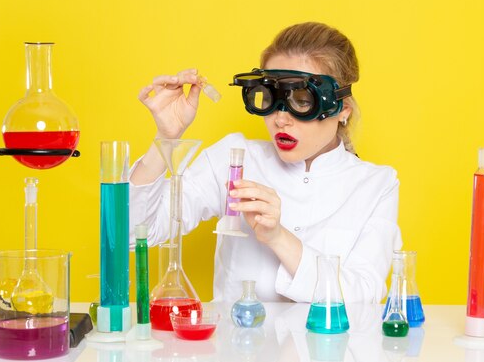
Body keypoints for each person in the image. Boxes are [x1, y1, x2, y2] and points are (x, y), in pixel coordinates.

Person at [129, 22, 402, 303]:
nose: (280, 119)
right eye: (271, 98)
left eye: (302, 101)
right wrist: (165, 138)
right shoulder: (234, 158)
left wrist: (277, 237)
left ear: (341, 109)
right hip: (237, 343)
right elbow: (134, 233)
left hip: (328, 346)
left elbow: (363, 297)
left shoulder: (377, 185)